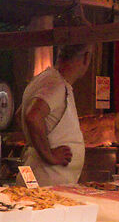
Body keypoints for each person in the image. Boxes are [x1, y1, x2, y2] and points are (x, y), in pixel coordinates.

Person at [19, 43, 93, 185]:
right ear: (86, 58)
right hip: (45, 180)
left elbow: (19, 114)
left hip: (38, 174)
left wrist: (35, 143)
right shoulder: (56, 85)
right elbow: (32, 116)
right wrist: (49, 156)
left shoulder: (45, 78)